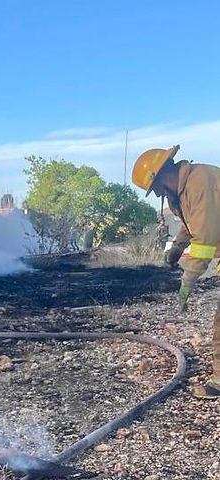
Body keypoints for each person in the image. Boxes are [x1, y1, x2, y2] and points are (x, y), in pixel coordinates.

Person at [132, 145, 220, 399]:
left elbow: (205, 238)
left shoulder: (200, 183)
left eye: (154, 188)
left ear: (161, 177)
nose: (157, 193)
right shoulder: (184, 188)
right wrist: (177, 247)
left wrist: (187, 283)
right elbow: (192, 224)